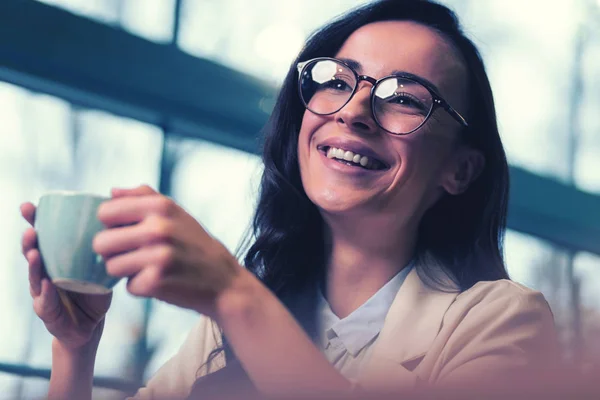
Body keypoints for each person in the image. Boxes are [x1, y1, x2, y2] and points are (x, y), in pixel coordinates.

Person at [20, 0, 560, 399]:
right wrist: (75, 346)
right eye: (336, 80)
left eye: (403, 98)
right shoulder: (233, 316)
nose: (353, 110)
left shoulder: (504, 321)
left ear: (459, 170)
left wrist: (235, 296)